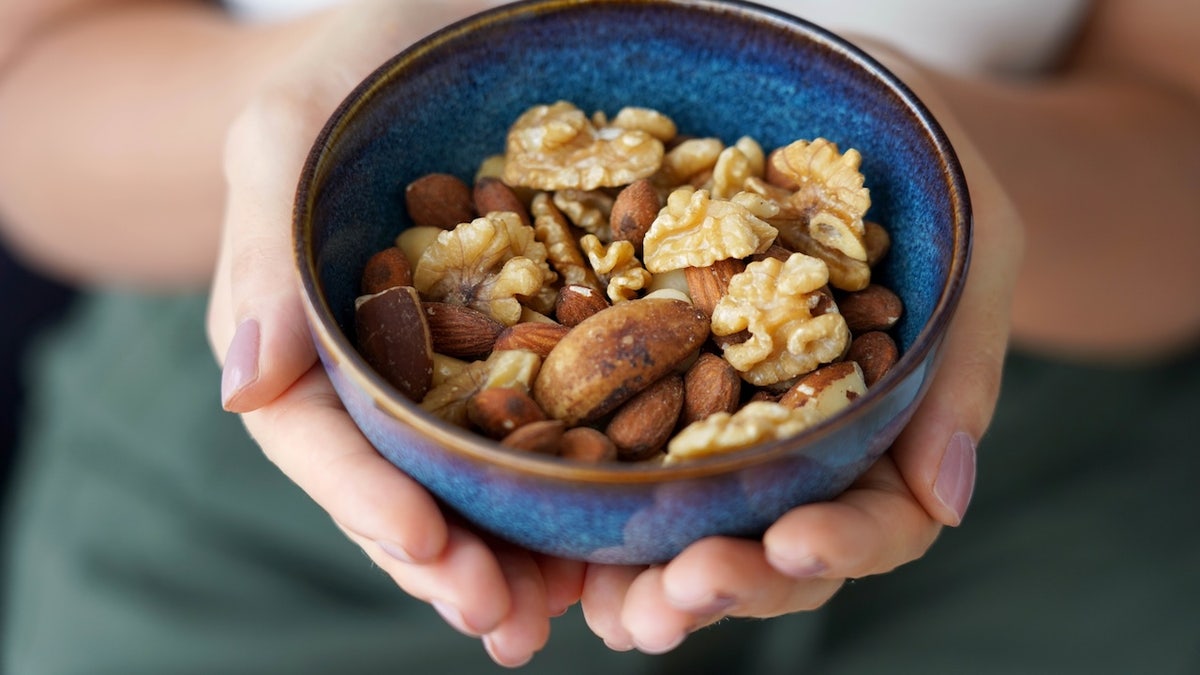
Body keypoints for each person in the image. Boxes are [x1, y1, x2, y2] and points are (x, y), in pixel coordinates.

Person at [0, 0, 1196, 672]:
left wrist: (944, 161)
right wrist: (299, 112)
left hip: (1030, 446)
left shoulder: (708, 282)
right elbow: (28, 90)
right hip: (268, 439)